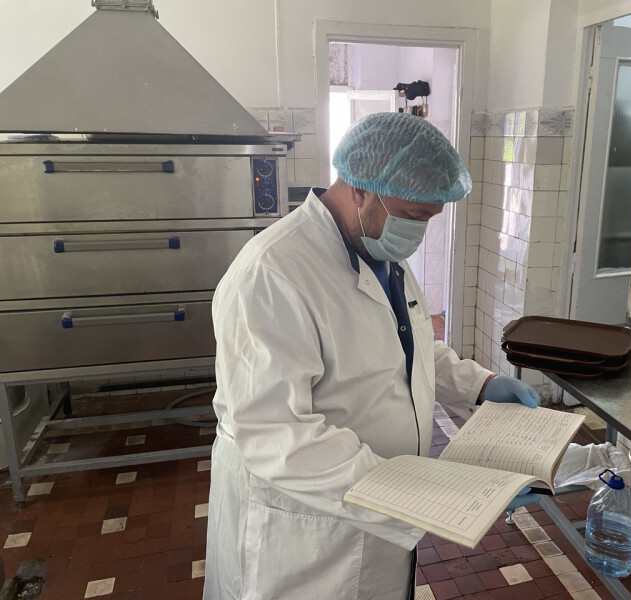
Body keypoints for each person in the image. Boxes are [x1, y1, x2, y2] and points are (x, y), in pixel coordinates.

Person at [204, 112, 540, 600]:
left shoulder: (379, 250)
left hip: (376, 518)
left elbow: (406, 345)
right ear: (361, 190)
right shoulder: (271, 274)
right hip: (306, 538)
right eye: (413, 215)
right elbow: (279, 436)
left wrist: (479, 385)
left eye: (430, 218)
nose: (419, 232)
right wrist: (438, 495)